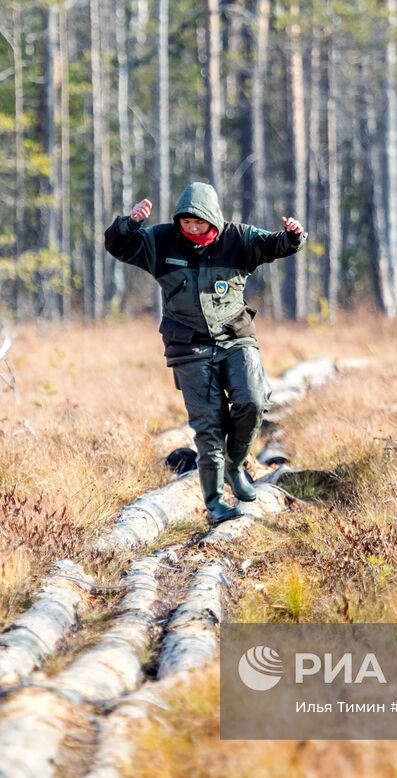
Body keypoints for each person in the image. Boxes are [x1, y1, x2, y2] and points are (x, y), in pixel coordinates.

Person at [104, 181, 307, 524]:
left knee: (253, 400)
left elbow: (275, 244)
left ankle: (235, 464)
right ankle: (215, 504)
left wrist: (293, 235)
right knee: (209, 424)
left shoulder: (238, 238)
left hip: (234, 336)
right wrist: (130, 224)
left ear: (213, 218)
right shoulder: (161, 240)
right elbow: (117, 245)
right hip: (189, 345)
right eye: (187, 222)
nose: (193, 229)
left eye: (199, 222)